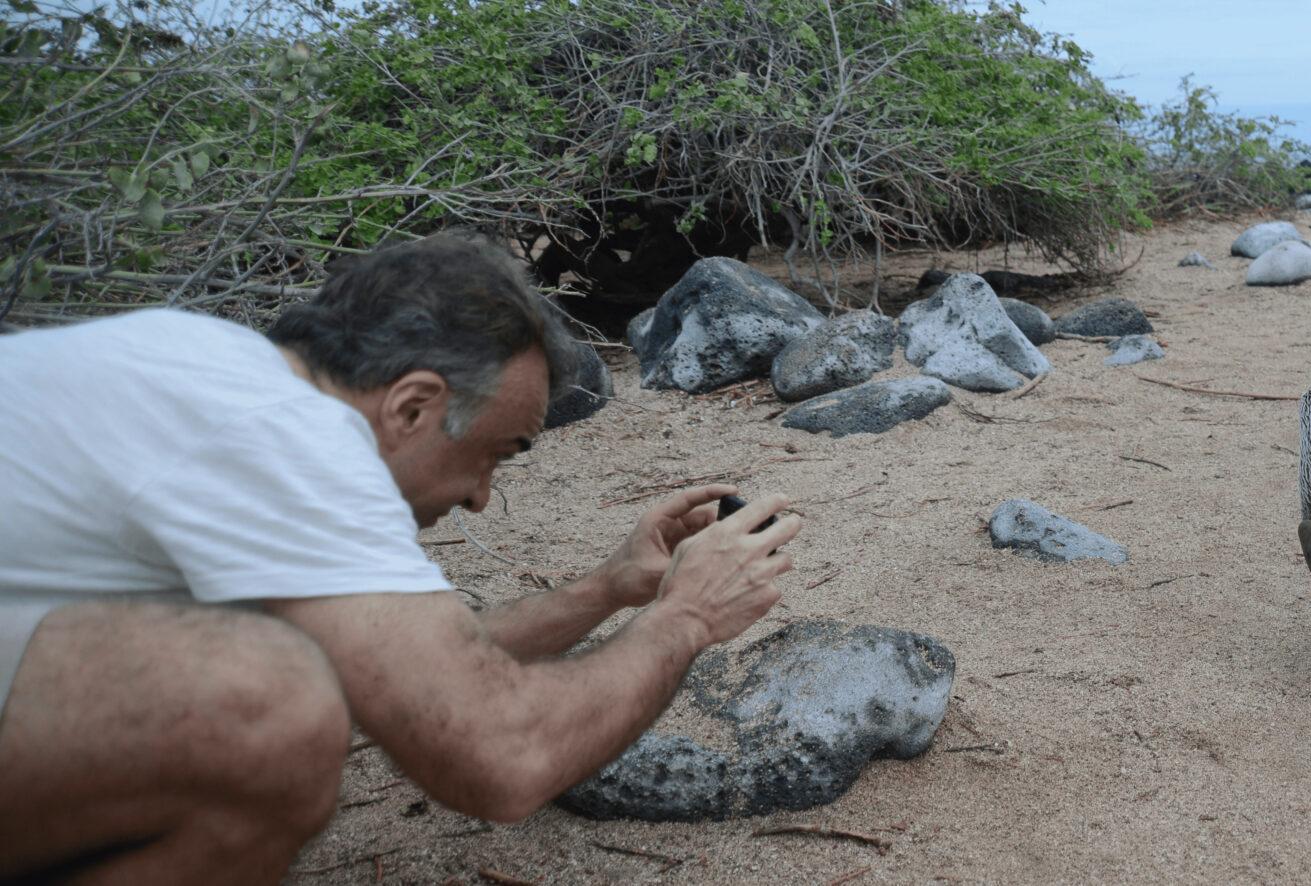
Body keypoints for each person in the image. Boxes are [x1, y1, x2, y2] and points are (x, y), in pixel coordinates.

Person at [0, 231, 800, 883]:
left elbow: (400, 672)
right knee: (268, 702)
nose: (483, 495)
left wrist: (610, 589)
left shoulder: (212, 368)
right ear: (413, 404)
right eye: (498, 453)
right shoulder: (284, 432)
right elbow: (502, 758)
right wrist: (687, 617)